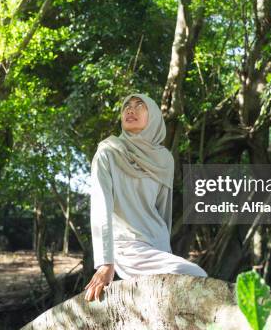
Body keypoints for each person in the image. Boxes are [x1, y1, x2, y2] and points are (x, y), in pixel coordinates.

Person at [84, 92, 207, 302]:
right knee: (196, 275)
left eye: (139, 105)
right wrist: (105, 262)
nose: (130, 110)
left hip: (156, 245)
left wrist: (165, 250)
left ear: (154, 117)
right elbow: (100, 208)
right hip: (126, 246)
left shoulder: (164, 159)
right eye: (126, 106)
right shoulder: (108, 153)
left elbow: (162, 211)